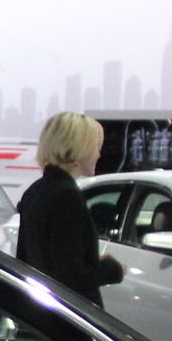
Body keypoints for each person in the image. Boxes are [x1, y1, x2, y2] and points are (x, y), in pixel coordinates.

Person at [14, 111, 123, 306]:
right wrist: (112, 269)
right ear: (79, 148)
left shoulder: (34, 192)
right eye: (96, 147)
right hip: (70, 313)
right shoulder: (66, 195)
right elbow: (70, 276)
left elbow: (26, 262)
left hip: (42, 310)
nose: (99, 154)